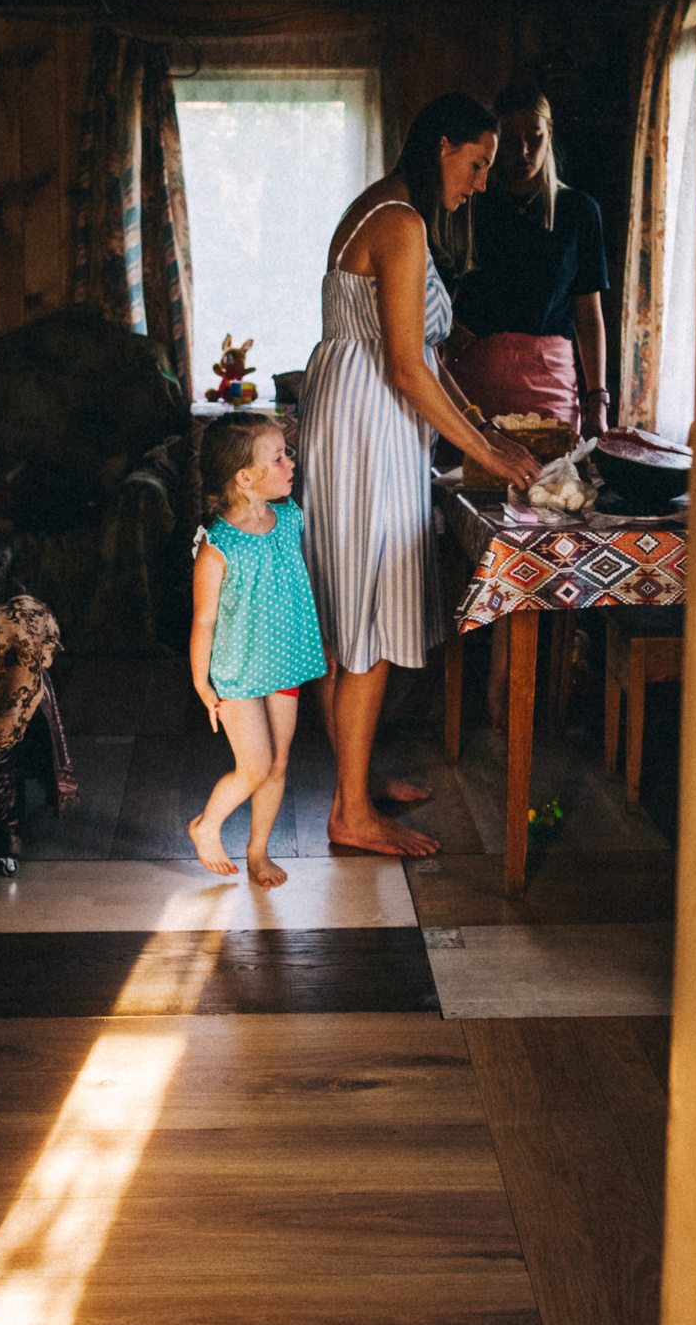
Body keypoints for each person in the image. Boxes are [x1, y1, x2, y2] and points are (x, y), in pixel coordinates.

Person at [300, 92, 540, 856]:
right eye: (476, 164)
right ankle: (351, 813)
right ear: (442, 146)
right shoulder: (400, 222)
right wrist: (487, 453)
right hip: (369, 423)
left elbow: (424, 354)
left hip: (352, 413)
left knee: (347, 609)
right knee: (367, 608)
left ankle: (355, 780)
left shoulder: (381, 206)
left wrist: (478, 421)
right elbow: (405, 367)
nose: (481, 182)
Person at [187, 411, 328, 887]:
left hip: (285, 660)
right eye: (279, 457)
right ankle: (206, 826)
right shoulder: (217, 546)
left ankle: (257, 851)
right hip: (238, 672)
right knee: (255, 766)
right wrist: (201, 682)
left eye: (287, 453)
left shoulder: (289, 519)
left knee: (279, 762)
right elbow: (204, 621)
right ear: (245, 478)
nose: (291, 463)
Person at [440, 84, 613, 437]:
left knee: (551, 469)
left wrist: (598, 401)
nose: (522, 152)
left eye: (533, 137)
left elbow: (588, 314)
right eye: (509, 139)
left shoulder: (578, 211)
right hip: (475, 373)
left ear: (549, 131)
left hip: (550, 379)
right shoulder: (469, 205)